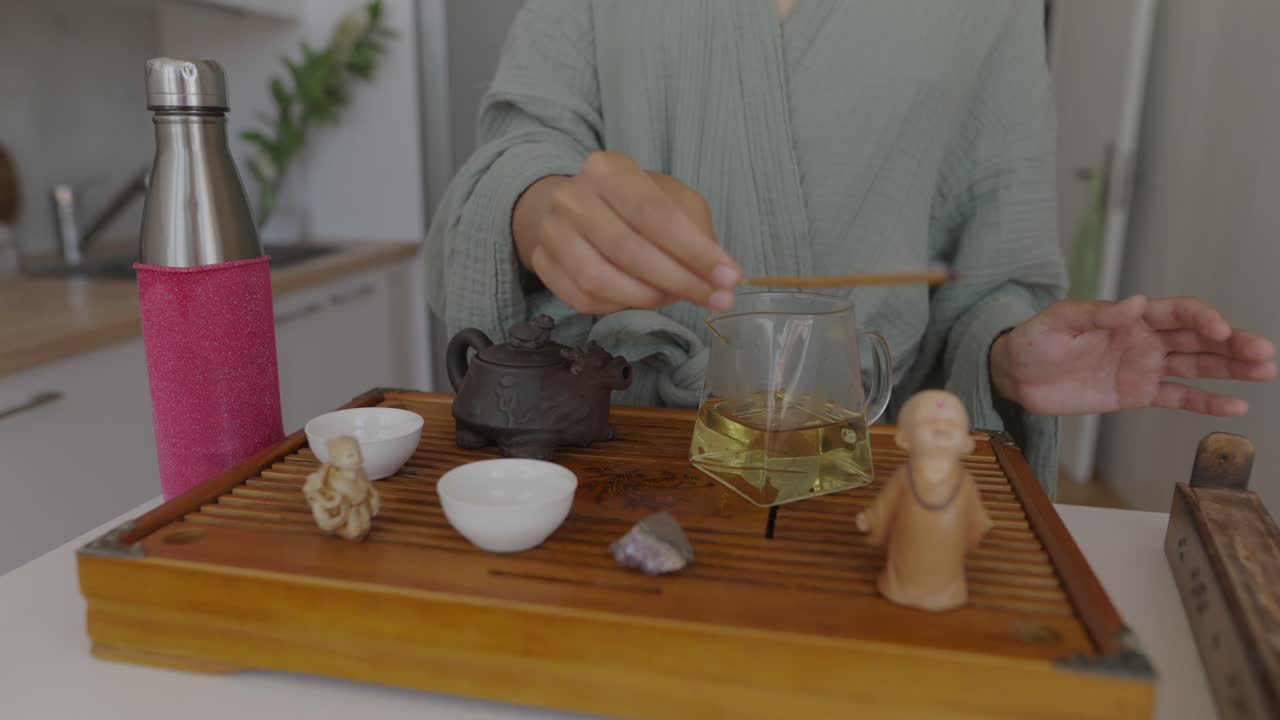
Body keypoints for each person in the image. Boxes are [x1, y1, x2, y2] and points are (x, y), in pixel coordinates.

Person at [424, 0, 1275, 496]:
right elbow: (522, 150)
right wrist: (545, 215)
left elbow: (992, 282)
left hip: (857, 480)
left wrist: (1007, 357)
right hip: (596, 455)